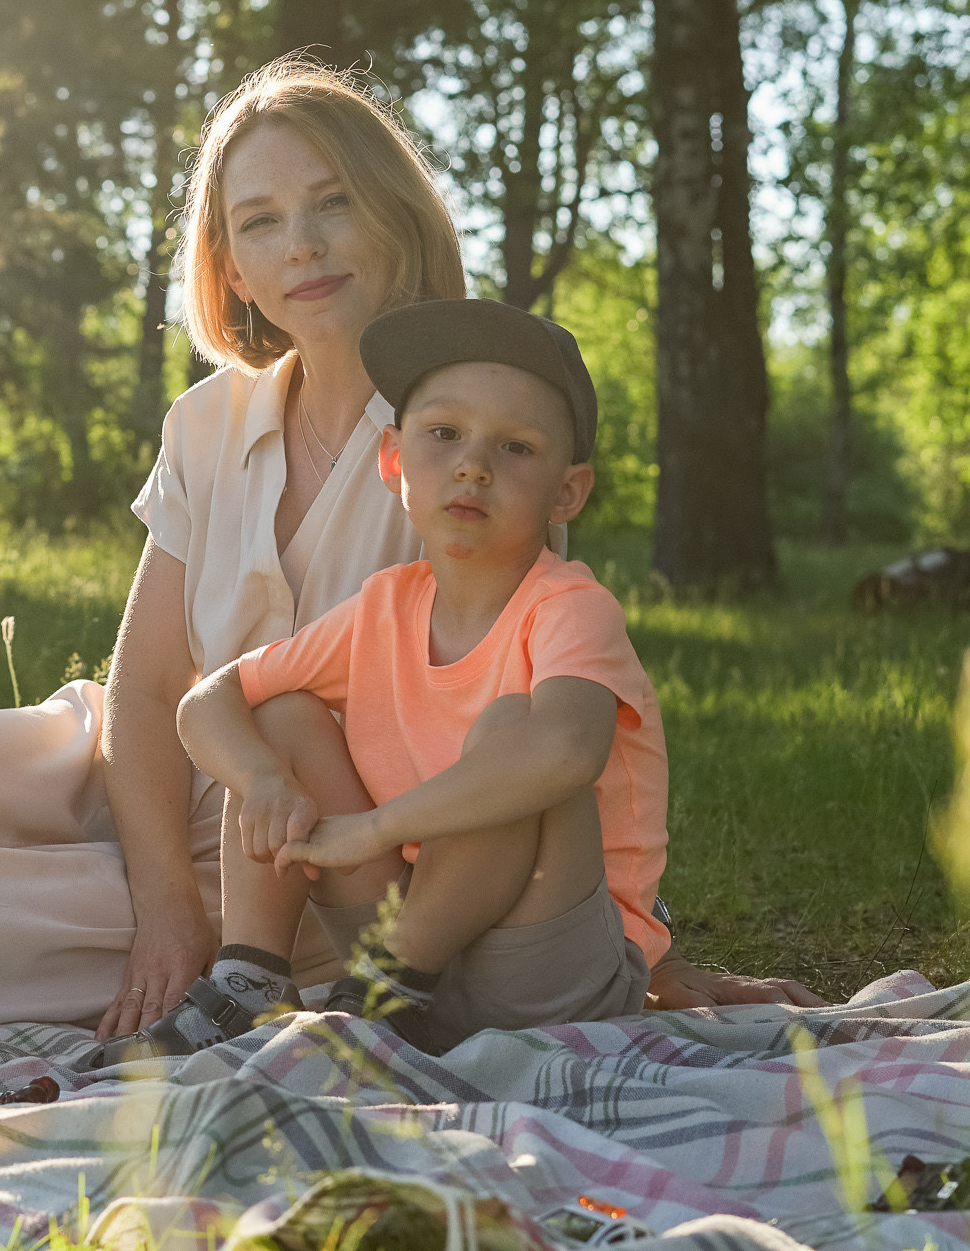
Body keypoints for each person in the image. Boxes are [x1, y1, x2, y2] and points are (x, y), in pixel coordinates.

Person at [0, 57, 822, 1042]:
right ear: (228, 263)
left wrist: (642, 956)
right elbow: (150, 678)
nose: (301, 245)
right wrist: (162, 895)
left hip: (304, 861)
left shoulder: (474, 437)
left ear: (397, 214)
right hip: (143, 763)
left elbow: (552, 749)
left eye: (332, 204)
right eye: (259, 221)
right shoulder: (209, 421)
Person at [102, 299, 658, 1063]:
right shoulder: (383, 608)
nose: (473, 465)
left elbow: (565, 752)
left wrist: (373, 831)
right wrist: (262, 780)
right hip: (404, 957)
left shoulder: (570, 608)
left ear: (567, 492)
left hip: (547, 966)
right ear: (394, 461)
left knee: (512, 731)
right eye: (444, 434)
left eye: (516, 447)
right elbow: (209, 699)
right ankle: (251, 984)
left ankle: (383, 997)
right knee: (284, 714)